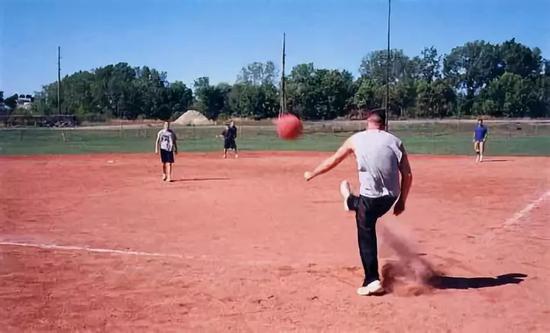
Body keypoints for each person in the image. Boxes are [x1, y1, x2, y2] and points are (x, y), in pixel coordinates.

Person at [304, 110, 413, 296]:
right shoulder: (395, 141)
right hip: (390, 198)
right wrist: (401, 201)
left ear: (367, 122)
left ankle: (372, 280)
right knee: (366, 210)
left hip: (370, 199)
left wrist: (312, 173)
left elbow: (334, 160)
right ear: (384, 125)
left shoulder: (356, 139)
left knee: (366, 232)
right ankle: (350, 201)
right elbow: (407, 174)